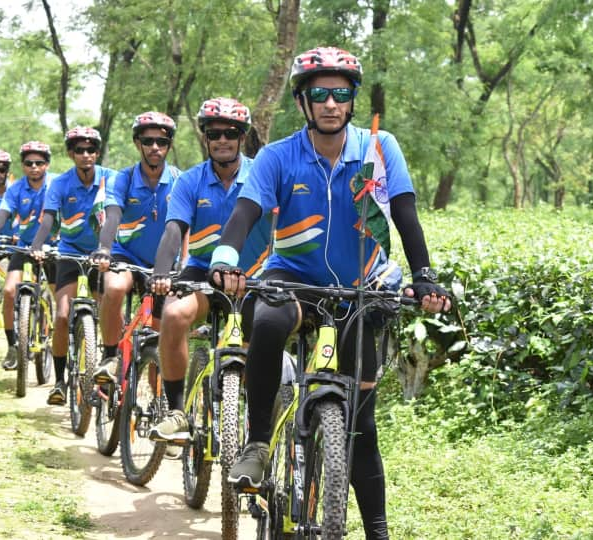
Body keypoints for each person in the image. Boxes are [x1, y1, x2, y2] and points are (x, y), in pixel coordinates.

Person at [208, 47, 451, 539]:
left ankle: (378, 531)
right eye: (319, 94)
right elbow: (242, 219)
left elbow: (406, 217)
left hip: (362, 289)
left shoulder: (381, 151)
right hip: (293, 280)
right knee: (269, 320)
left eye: (340, 93)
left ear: (352, 100)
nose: (330, 103)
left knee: (360, 422)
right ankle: (256, 445)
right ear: (303, 101)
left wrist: (423, 275)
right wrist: (224, 260)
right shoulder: (278, 156)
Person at [148, 97, 272, 442]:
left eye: (230, 133)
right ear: (205, 137)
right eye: (214, 133)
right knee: (173, 316)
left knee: (266, 337)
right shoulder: (188, 181)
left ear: (242, 137)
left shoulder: (264, 175)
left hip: (253, 276)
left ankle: (260, 426)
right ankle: (177, 411)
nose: (222, 140)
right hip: (202, 271)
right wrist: (161, 271)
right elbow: (174, 230)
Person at [90, 111, 183, 385]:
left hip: (165, 264)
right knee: (115, 287)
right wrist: (105, 249)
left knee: (160, 340)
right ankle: (109, 356)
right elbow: (113, 215)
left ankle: (159, 406)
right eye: (148, 141)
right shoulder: (124, 178)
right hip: (127, 254)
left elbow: (186, 226)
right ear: (137, 143)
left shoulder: (179, 180)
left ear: (169, 145)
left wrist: (186, 262)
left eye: (162, 142)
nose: (155, 147)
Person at [30, 127, 117, 406]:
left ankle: (107, 364)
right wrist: (37, 245)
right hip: (69, 253)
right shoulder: (60, 184)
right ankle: (59, 381)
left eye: (91, 150)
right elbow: (48, 218)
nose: (86, 155)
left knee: (108, 310)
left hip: (102, 256)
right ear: (71, 154)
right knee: (62, 316)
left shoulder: (111, 179)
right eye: (80, 150)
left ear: (97, 153)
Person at [0, 141, 58, 370]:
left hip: (54, 248)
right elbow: (3, 214)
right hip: (24, 247)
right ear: (23, 166)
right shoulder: (15, 189)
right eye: (29, 163)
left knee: (61, 299)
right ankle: (13, 345)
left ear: (47, 164)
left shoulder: (56, 184)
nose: (34, 167)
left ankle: (69, 336)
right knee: (9, 290)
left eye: (39, 162)